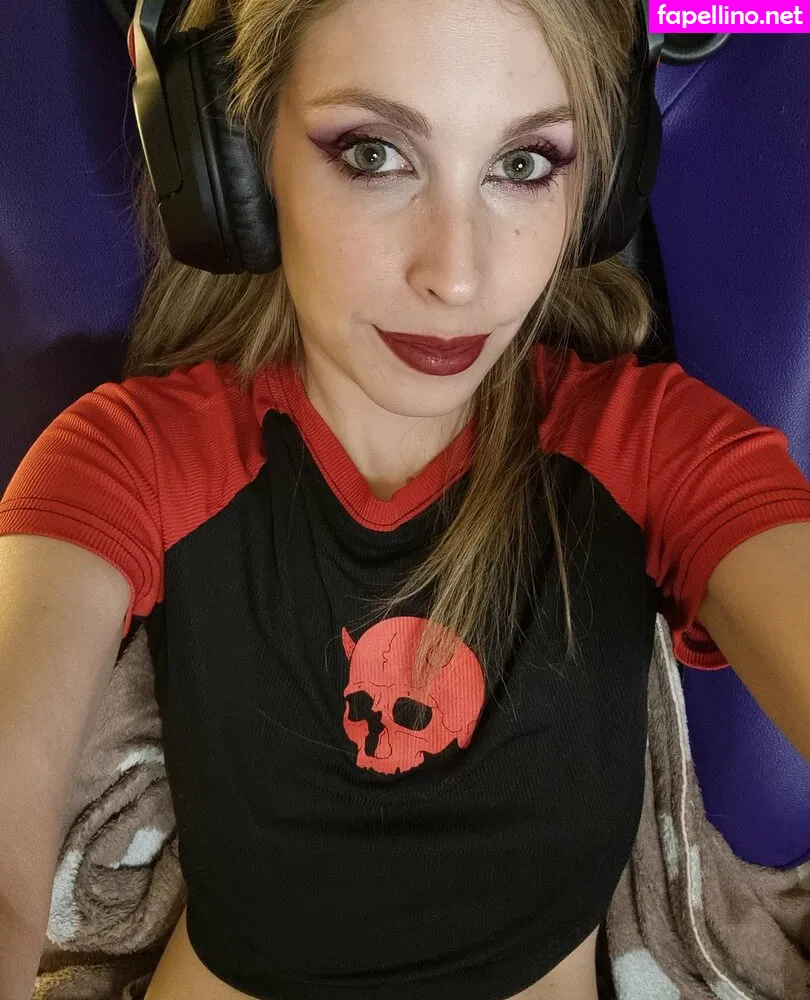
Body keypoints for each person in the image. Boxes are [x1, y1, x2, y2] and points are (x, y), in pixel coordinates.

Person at [2, 0, 810, 998]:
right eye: (374, 154)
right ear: (236, 155)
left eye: (524, 164)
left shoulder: (649, 447)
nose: (457, 278)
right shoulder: (127, 456)